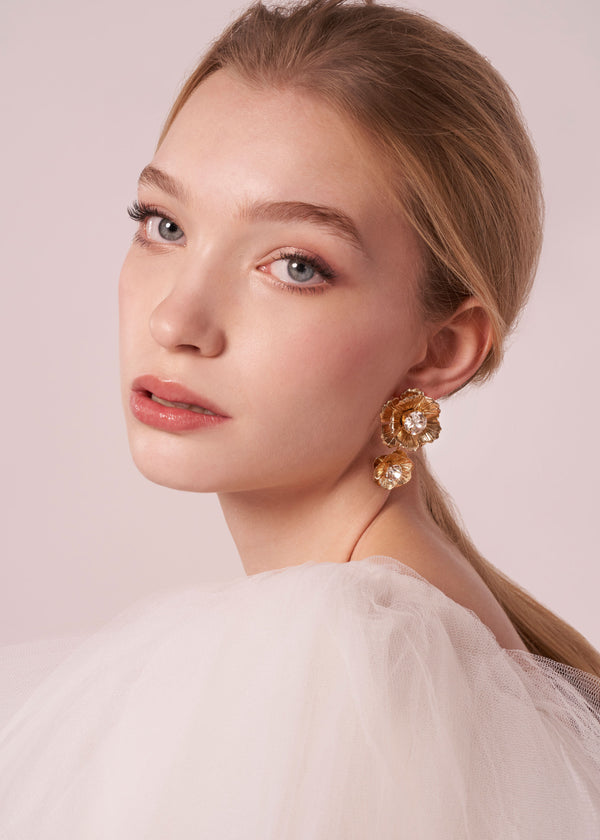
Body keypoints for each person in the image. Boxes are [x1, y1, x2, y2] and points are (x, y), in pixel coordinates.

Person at [1, 0, 599, 836]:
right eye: (164, 224)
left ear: (441, 350)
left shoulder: (349, 664)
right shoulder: (400, 637)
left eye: (294, 265)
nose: (177, 321)